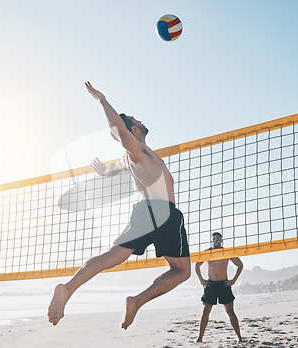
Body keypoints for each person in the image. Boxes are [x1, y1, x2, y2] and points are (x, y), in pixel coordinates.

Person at [48, 81, 191, 329]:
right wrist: (102, 100)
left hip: (146, 212)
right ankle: (137, 301)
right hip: (164, 213)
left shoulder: (133, 157)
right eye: (135, 120)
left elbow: (116, 165)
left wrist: (105, 172)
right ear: (134, 129)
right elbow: (120, 130)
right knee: (182, 271)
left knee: (113, 257)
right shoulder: (137, 151)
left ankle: (68, 288)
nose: (140, 120)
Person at [195, 232, 243, 343]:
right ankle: (200, 338)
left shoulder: (226, 252)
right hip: (211, 285)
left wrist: (234, 280)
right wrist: (201, 280)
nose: (215, 240)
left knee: (230, 311)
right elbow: (197, 265)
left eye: (217, 239)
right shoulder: (207, 252)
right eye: (214, 239)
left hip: (224, 285)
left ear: (221, 240)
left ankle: (239, 337)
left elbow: (240, 265)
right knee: (205, 311)